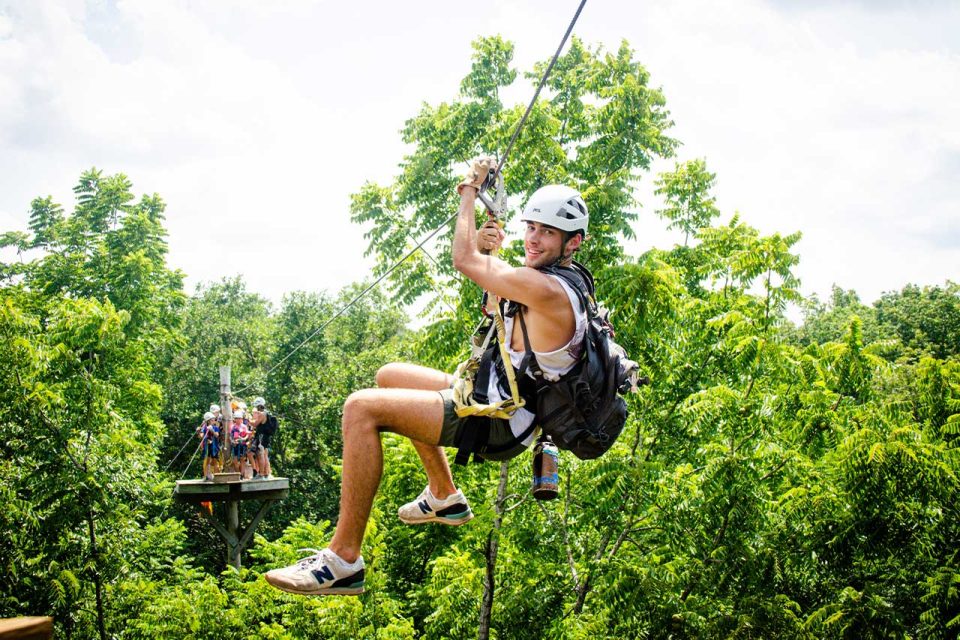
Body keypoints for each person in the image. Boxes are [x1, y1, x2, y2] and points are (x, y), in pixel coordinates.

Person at [265, 158, 589, 596]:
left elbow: (462, 259)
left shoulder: (550, 289)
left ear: (573, 243)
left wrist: (469, 193)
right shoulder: (551, 280)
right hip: (496, 397)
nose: (533, 238)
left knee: (360, 408)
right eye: (532, 227)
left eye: (547, 232)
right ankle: (444, 494)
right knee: (389, 375)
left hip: (501, 420)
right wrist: (490, 254)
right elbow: (504, 305)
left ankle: (343, 560)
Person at [249, 396, 276, 480]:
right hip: (266, 437)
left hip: (262, 437)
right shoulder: (266, 413)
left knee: (261, 455)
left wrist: (248, 418)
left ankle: (261, 474)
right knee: (265, 455)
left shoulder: (262, 414)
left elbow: (255, 424)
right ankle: (267, 473)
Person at [198, 412, 221, 481]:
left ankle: (217, 477)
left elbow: (217, 435)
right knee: (207, 461)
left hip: (214, 447)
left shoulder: (215, 427)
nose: (214, 421)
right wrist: (198, 432)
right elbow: (201, 436)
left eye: (214, 419)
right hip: (207, 447)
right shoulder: (204, 428)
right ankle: (205, 476)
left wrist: (212, 430)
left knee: (215, 461)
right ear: (208, 421)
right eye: (212, 420)